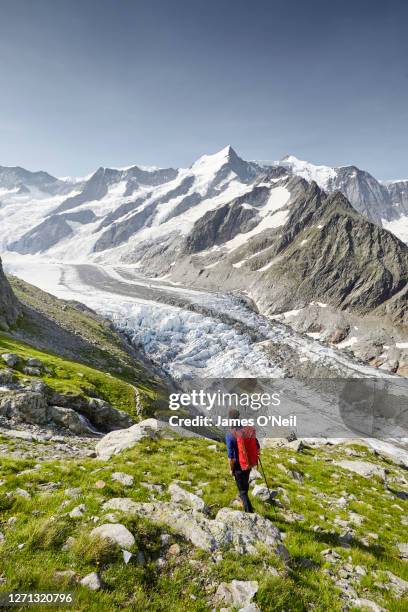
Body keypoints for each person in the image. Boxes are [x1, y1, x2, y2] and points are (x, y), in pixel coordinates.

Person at [225, 409, 260, 513]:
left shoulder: (230, 435)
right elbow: (257, 445)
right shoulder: (247, 430)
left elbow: (230, 457)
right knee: (245, 485)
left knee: (243, 492)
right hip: (248, 463)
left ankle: (250, 513)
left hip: (238, 466)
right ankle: (243, 501)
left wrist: (231, 469)